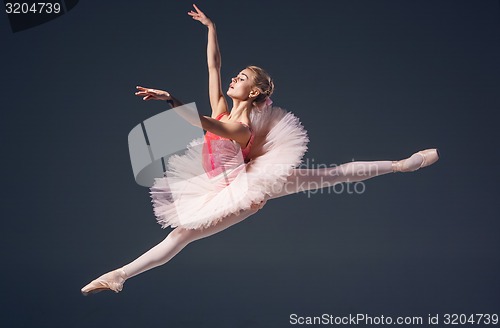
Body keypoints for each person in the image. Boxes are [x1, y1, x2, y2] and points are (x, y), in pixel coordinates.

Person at [81, 4, 439, 295]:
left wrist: (171, 99)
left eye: (242, 78)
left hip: (247, 188)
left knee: (328, 175)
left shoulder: (238, 127)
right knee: (180, 236)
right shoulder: (223, 106)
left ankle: (401, 165)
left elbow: (201, 123)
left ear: (253, 93)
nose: (233, 79)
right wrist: (211, 28)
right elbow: (214, 65)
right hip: (217, 184)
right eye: (236, 75)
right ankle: (121, 276)